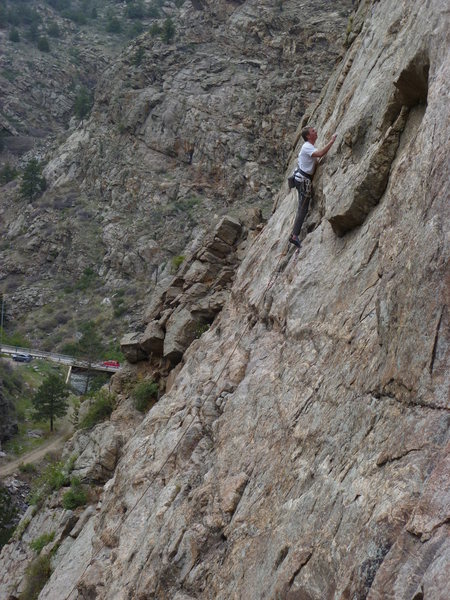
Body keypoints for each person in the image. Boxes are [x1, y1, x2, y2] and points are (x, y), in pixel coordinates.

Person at [289, 126, 337, 249]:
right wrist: (331, 141)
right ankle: (294, 235)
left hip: (300, 178)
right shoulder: (307, 147)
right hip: (303, 180)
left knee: (302, 206)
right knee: (303, 208)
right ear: (308, 136)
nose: (315, 131)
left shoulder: (308, 146)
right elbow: (320, 154)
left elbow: (315, 158)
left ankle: (294, 233)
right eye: (313, 131)